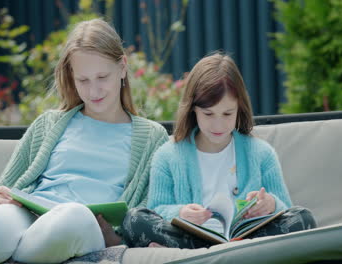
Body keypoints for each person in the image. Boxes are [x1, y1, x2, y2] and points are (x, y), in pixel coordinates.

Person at [0, 18, 168, 263]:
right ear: (72, 76)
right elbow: (5, 185)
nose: (94, 91)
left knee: (72, 217)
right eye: (83, 80)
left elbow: (147, 212)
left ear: (122, 67)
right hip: (29, 217)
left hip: (82, 226)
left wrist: (114, 238)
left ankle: (9, 256)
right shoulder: (48, 124)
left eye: (102, 77)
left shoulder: (152, 137)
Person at [122, 53, 316, 249]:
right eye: (208, 114)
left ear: (239, 108)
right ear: (193, 109)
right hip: (193, 239)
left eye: (227, 113)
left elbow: (287, 209)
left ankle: (218, 255)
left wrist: (271, 204)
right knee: (134, 219)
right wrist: (181, 213)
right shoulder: (167, 156)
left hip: (246, 241)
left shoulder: (262, 153)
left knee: (303, 218)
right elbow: (157, 209)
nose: (218, 124)